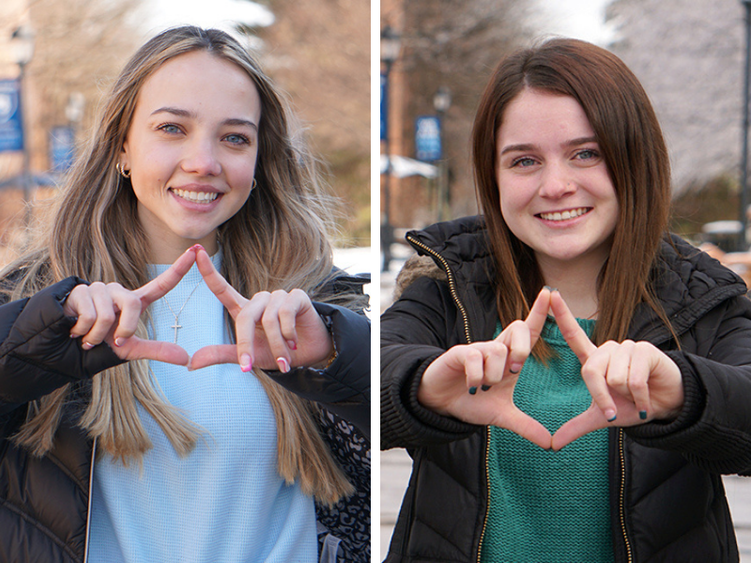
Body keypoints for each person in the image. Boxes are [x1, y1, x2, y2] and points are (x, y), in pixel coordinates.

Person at [0, 26, 370, 563]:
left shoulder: (318, 305)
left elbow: (396, 442)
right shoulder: (32, 300)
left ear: (260, 161)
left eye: (235, 137)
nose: (204, 162)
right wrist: (26, 350)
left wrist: (339, 355)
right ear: (122, 145)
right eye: (172, 128)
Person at [381, 37, 751, 563]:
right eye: (524, 160)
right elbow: (368, 376)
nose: (555, 185)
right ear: (494, 176)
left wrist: (684, 393)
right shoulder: (444, 283)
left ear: (634, 158)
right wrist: (421, 387)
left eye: (586, 153)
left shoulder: (702, 294)